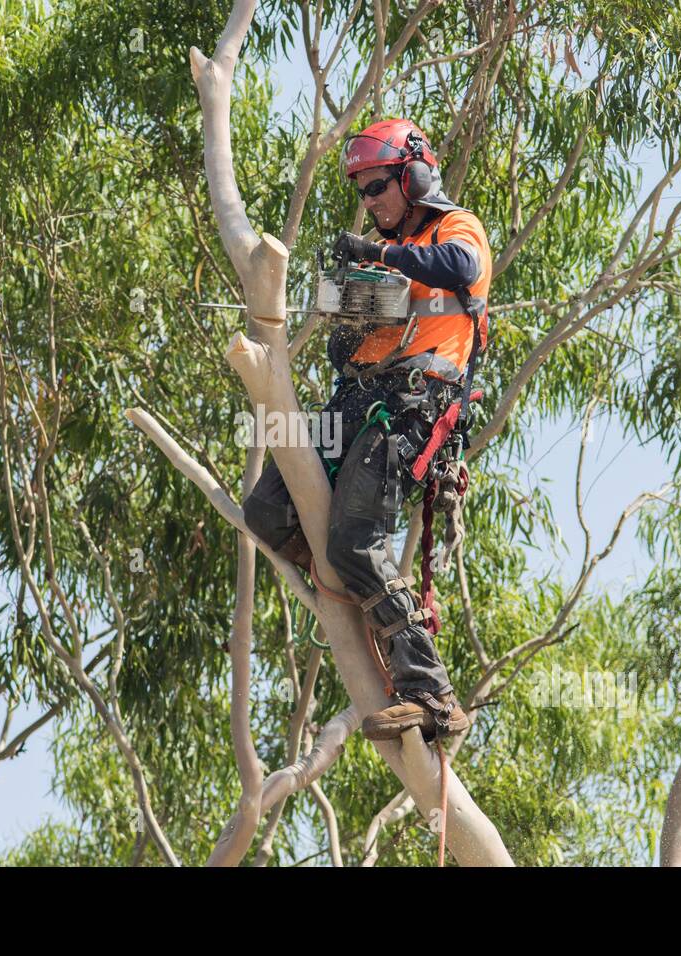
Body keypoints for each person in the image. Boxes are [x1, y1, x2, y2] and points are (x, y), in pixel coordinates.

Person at [243, 118, 491, 741]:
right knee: (266, 509)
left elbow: (459, 266)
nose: (370, 201)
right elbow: (342, 347)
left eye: (378, 186)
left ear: (412, 177)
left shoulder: (454, 229)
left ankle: (432, 694)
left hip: (410, 405)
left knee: (357, 536)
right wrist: (346, 304)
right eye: (361, 191)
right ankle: (347, 581)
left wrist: (379, 254)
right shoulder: (380, 253)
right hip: (354, 400)